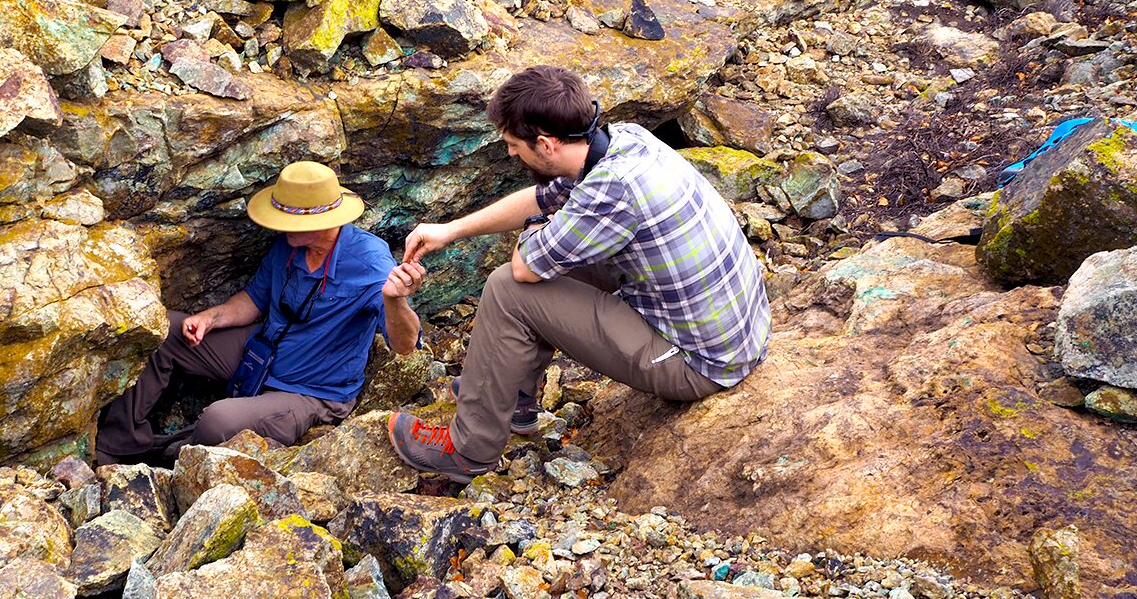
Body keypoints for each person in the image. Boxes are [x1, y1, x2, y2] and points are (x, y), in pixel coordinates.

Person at [386, 66, 771, 482]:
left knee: (507, 289)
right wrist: (452, 230)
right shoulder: (625, 140)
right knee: (556, 260)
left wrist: (538, 229)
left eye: (515, 145)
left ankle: (468, 451)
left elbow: (525, 267)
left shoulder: (612, 190)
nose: (511, 154)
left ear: (546, 144)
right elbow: (543, 198)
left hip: (699, 362)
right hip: (737, 332)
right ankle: (509, 394)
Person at [96, 160, 423, 465]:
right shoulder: (290, 243)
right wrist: (210, 318)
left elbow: (405, 344)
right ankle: (116, 449)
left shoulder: (369, 263)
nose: (280, 228)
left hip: (310, 391)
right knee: (163, 329)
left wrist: (395, 300)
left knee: (217, 420)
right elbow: (255, 299)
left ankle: (164, 458)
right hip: (262, 350)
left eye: (289, 221)